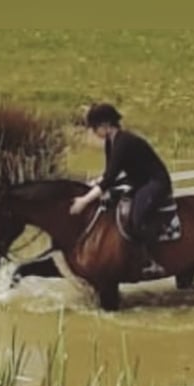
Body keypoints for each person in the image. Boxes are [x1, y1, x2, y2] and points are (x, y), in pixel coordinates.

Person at [69, 103, 173, 275]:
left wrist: (84, 200)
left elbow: (109, 179)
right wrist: (95, 183)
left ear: (106, 125)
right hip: (138, 180)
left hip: (155, 182)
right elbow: (110, 173)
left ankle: (150, 261)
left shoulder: (124, 142)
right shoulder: (111, 142)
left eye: (95, 128)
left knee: (137, 218)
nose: (93, 133)